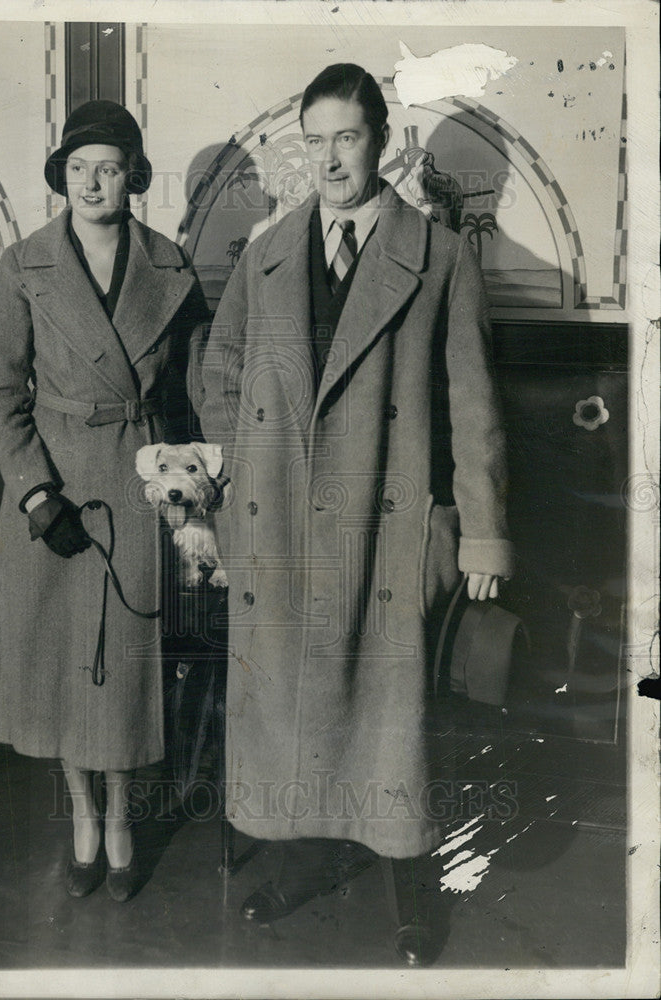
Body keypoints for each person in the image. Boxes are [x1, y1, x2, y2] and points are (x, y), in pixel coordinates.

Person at [191, 64, 513, 963]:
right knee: (297, 711)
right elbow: (218, 373)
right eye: (316, 139)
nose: (331, 158)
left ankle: (411, 887)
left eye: (348, 137)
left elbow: (473, 405)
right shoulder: (266, 252)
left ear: (380, 142)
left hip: (388, 522)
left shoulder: (439, 253)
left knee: (391, 718)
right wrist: (243, 472)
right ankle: (306, 859)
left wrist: (480, 532)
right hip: (283, 525)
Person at [0, 100, 208, 902]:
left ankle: (121, 819)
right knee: (65, 674)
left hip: (135, 484)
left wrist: (190, 490)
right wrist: (38, 495)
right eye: (77, 168)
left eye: (108, 166)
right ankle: (81, 814)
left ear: (133, 174)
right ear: (61, 177)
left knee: (121, 676)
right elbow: (1, 393)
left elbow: (193, 394)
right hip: (54, 493)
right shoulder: (24, 265)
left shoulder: (172, 267)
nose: (92, 182)